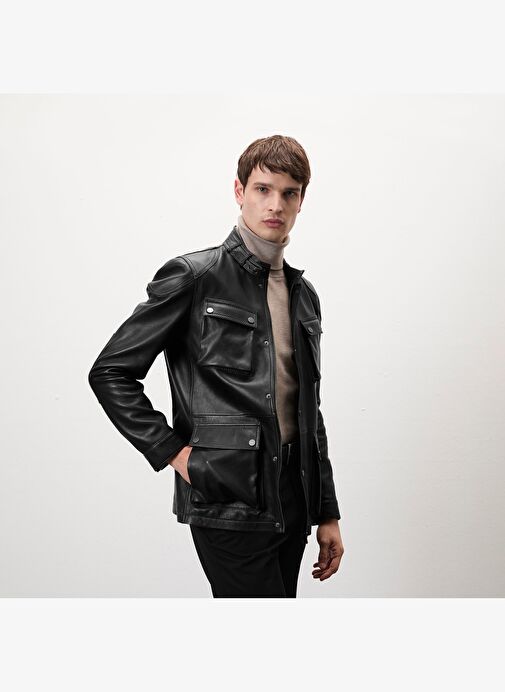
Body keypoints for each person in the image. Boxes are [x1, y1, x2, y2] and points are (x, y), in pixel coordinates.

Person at [88, 134, 344, 597]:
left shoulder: (304, 296)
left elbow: (309, 411)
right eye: (263, 189)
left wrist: (327, 511)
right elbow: (110, 372)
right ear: (239, 191)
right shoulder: (195, 277)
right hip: (228, 496)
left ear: (302, 201)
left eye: (289, 193)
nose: (276, 205)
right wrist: (176, 454)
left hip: (294, 496)